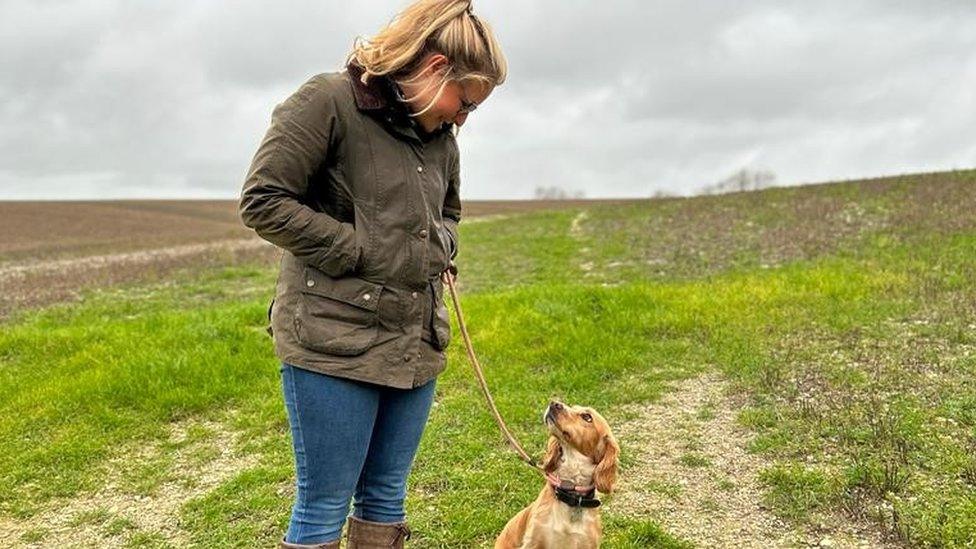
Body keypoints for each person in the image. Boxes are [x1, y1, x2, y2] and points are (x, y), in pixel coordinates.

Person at [238, 1, 507, 547]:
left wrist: (444, 243)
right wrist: (358, 248)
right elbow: (263, 200)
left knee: (386, 497)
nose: (462, 118)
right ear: (434, 69)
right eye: (466, 102)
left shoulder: (440, 139)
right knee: (323, 507)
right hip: (332, 341)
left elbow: (448, 214)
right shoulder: (327, 101)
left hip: (416, 342)